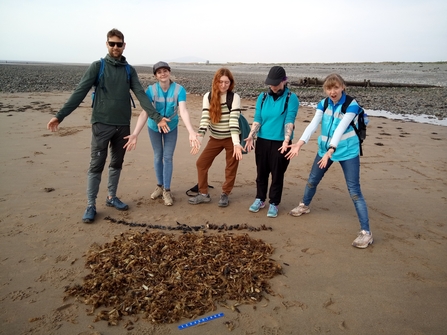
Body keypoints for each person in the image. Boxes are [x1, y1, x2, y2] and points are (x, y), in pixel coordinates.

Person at [47, 28, 170, 224]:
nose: (115, 47)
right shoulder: (98, 66)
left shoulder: (129, 70)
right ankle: (91, 204)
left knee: (116, 163)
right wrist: (60, 116)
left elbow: (141, 95)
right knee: (96, 164)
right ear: (107, 44)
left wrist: (156, 117)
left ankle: (112, 197)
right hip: (101, 124)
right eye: (112, 43)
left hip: (122, 125)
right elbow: (80, 91)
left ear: (124, 45)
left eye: (118, 44)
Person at [285, 73, 373, 248]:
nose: (332, 92)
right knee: (312, 180)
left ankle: (366, 233)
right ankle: (304, 205)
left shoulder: (351, 105)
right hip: (325, 150)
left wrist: (331, 150)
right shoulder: (323, 104)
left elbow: (341, 128)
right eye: (329, 88)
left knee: (354, 190)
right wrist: (300, 144)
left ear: (343, 87)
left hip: (347, 151)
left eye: (336, 88)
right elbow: (313, 124)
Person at [123, 61, 200, 205]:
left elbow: (183, 110)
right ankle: (159, 186)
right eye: (159, 72)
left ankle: (167, 191)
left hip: (171, 127)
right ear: (155, 76)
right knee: (158, 155)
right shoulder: (151, 90)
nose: (163, 74)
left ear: (169, 72)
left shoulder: (179, 89)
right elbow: (145, 113)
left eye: (165, 71)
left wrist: (191, 131)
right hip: (154, 127)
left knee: (168, 157)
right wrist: (135, 134)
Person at [243, 66, 299, 218]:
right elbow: (258, 118)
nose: (273, 87)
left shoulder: (291, 98)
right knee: (261, 173)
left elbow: (289, 121)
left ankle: (274, 202)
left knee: (277, 174)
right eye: (271, 84)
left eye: (276, 83)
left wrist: (286, 141)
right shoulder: (262, 97)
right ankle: (260, 199)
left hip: (281, 143)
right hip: (262, 141)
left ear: (283, 81)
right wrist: (251, 135)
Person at [188, 68, 243, 207]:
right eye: (220, 82)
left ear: (230, 83)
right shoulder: (208, 96)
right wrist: (199, 139)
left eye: (226, 82)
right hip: (215, 138)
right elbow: (205, 119)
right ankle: (203, 194)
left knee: (231, 167)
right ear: (215, 81)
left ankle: (225, 194)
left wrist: (236, 143)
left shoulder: (234, 97)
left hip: (231, 138)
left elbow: (233, 121)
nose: (223, 85)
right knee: (201, 163)